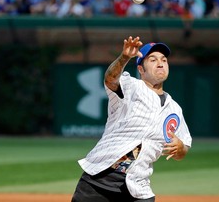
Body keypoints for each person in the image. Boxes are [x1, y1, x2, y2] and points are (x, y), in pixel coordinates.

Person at [71, 36, 192, 202]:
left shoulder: (174, 109)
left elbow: (183, 149)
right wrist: (125, 57)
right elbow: (110, 79)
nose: (160, 63)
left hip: (137, 186)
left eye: (164, 60)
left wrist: (180, 149)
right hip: (99, 178)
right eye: (153, 59)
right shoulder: (131, 86)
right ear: (141, 69)